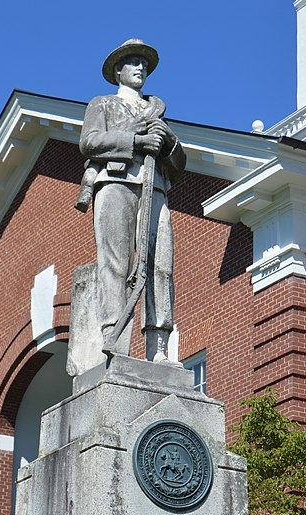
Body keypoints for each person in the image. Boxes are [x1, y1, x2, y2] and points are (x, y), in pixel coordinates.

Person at [77, 39, 186, 363]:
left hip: (155, 188)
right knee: (116, 263)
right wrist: (136, 140)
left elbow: (179, 163)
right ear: (118, 70)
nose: (140, 68)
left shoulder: (156, 113)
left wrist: (167, 142)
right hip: (115, 182)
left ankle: (159, 347)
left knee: (160, 265)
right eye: (133, 62)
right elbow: (90, 142)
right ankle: (115, 340)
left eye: (144, 64)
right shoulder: (104, 104)